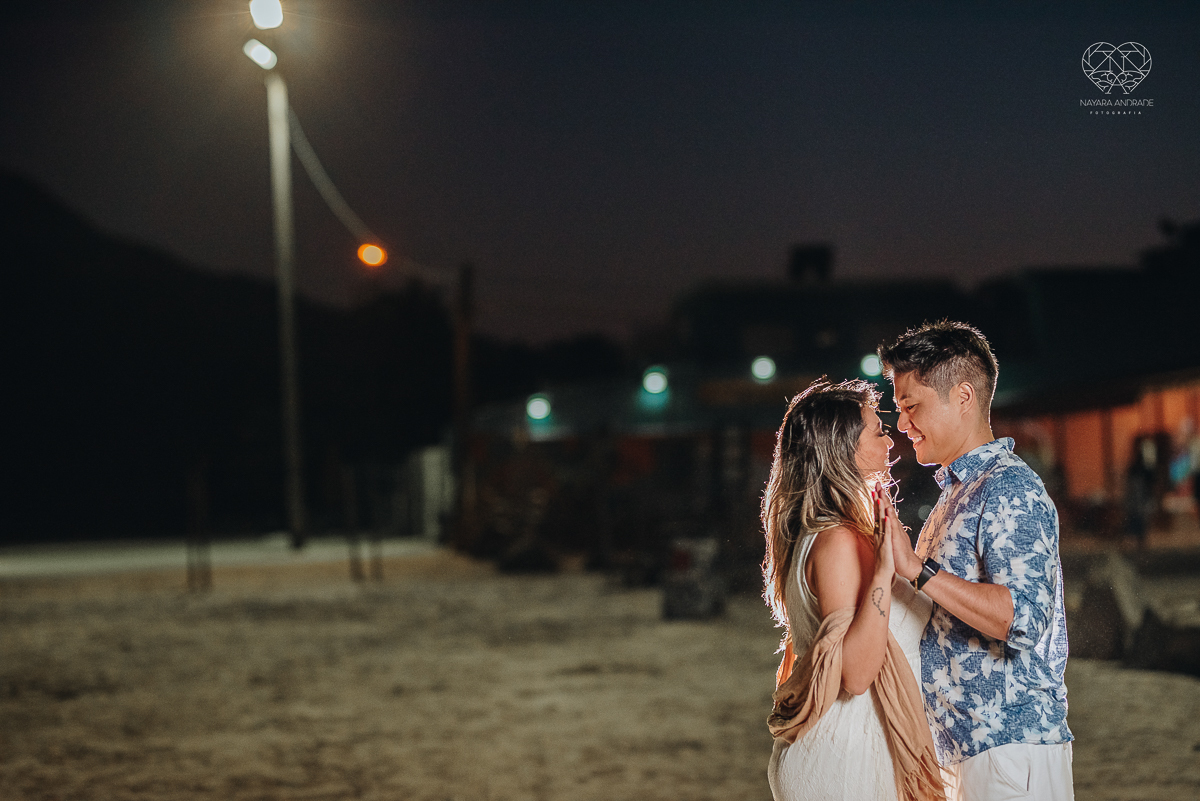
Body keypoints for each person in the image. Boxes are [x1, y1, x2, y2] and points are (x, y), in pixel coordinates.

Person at [878, 320, 1073, 801]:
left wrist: (919, 572)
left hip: (1010, 747)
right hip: (970, 753)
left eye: (911, 407)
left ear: (963, 397)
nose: (902, 424)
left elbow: (1023, 619)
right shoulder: (958, 493)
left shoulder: (1009, 487)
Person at [763, 378, 946, 801]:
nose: (890, 439)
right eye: (878, 431)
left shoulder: (846, 531)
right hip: (844, 760)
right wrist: (883, 574)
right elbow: (858, 674)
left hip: (856, 750)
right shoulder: (836, 541)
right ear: (844, 448)